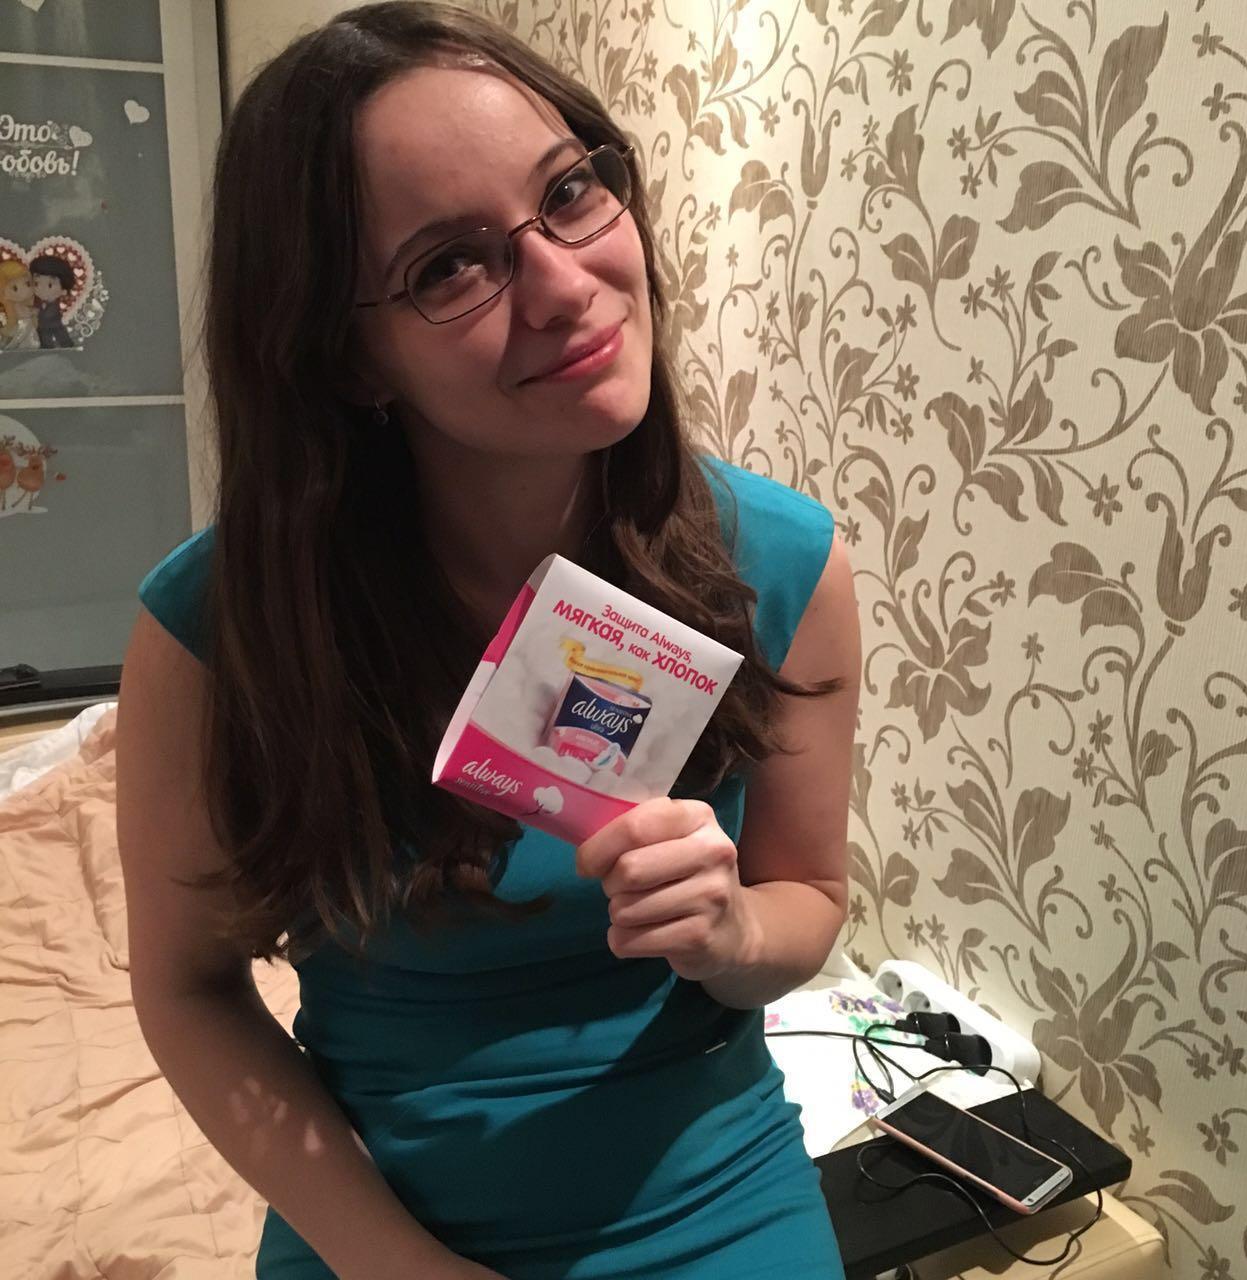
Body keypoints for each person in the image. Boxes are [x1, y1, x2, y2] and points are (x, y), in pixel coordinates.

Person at [114, 4, 861, 1279]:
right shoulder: (219, 629)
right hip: (379, 1219)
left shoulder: (783, 563)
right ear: (346, 356)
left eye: (569, 191)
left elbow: (811, 900)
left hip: (714, 1195)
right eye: (449, 266)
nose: (568, 286)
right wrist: (400, 1265)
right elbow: (186, 985)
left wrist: (733, 930)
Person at [29, 253, 77, 348]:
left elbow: (49, 314)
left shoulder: (53, 304)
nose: (42, 289)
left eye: (50, 285)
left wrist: (37, 313)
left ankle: (66, 345)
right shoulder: (38, 302)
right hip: (43, 325)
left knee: (60, 334)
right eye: (36, 283)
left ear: (63, 290)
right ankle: (47, 347)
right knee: (45, 337)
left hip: (53, 323)